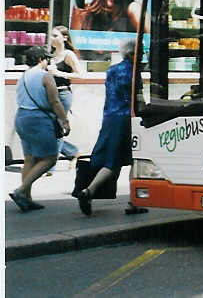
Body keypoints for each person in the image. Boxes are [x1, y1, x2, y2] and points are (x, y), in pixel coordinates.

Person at [75, 39, 135, 216]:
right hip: (125, 120)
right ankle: (132, 201)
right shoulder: (132, 71)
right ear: (132, 54)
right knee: (133, 160)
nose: (144, 57)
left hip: (109, 118)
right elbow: (133, 98)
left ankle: (90, 191)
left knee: (112, 159)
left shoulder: (111, 70)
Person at [10, 46, 71, 212]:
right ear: (39, 60)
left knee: (30, 158)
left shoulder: (22, 76)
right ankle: (21, 190)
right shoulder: (46, 76)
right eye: (46, 59)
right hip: (38, 119)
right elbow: (55, 101)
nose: (48, 62)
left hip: (22, 118)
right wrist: (64, 121)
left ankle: (26, 199)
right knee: (50, 158)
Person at [48, 25, 82, 169]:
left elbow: (80, 74)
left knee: (56, 128)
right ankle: (72, 152)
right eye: (51, 35)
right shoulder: (51, 54)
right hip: (49, 94)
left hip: (62, 94)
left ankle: (49, 167)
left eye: (55, 36)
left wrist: (59, 74)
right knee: (48, 128)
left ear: (65, 38)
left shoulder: (68, 55)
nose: (52, 39)